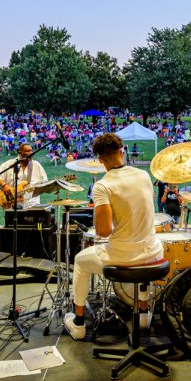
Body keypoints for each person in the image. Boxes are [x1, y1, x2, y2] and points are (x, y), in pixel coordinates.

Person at [64, 133, 164, 340]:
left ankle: (79, 324)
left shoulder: (103, 186)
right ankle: (144, 316)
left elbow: (102, 231)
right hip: (154, 252)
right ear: (122, 152)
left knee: (80, 262)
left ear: (100, 160)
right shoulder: (143, 175)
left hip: (125, 257)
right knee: (140, 260)